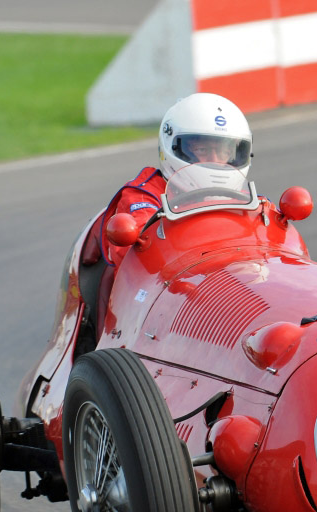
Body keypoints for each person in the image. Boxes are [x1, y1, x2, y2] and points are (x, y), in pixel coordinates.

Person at [76, 93, 253, 344]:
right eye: (202, 150)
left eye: (224, 151)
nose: (215, 162)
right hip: (147, 319)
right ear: (172, 147)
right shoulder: (143, 196)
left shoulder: (246, 199)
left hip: (217, 299)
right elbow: (138, 262)